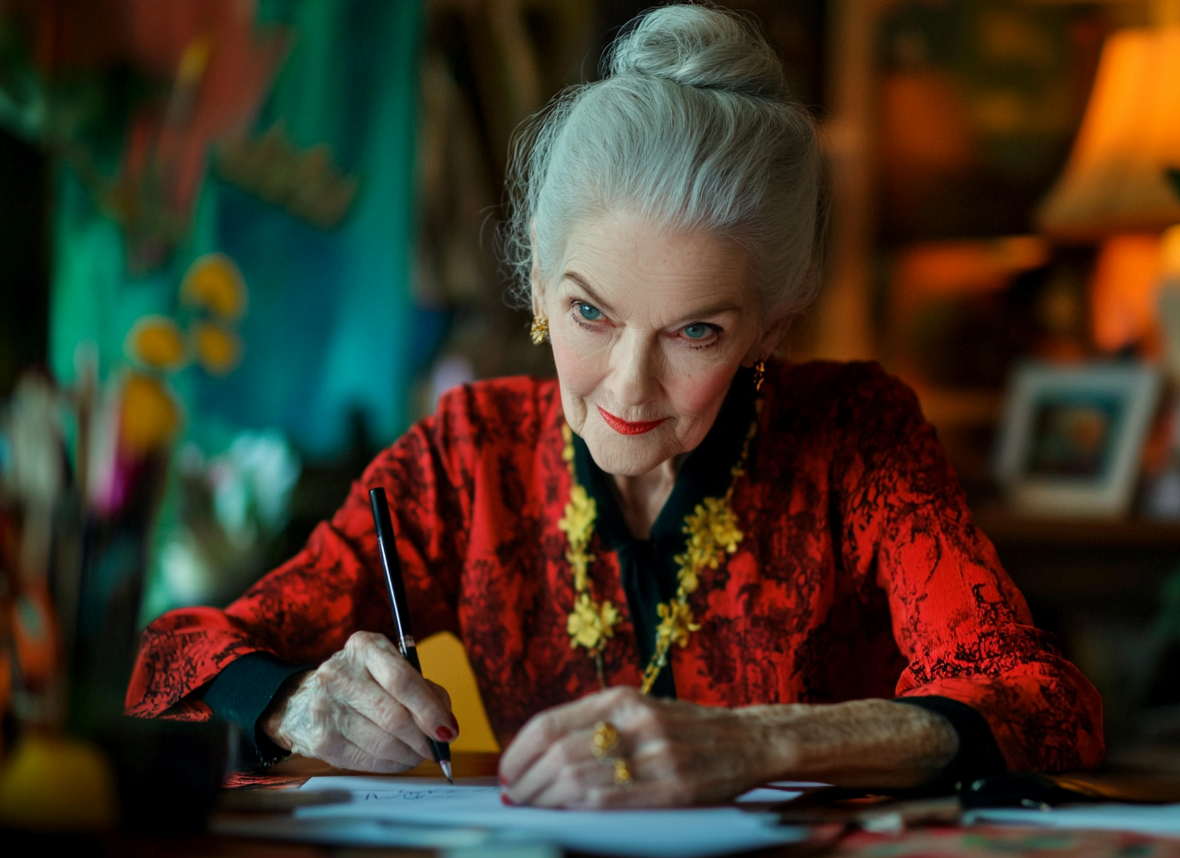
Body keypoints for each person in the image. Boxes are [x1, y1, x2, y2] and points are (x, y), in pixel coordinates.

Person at [127, 5, 1103, 809]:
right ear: (541, 284)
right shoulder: (469, 456)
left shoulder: (857, 438)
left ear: (773, 323)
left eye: (697, 332)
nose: (628, 387)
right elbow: (163, 667)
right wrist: (297, 703)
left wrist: (757, 742)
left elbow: (1048, 705)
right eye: (590, 310)